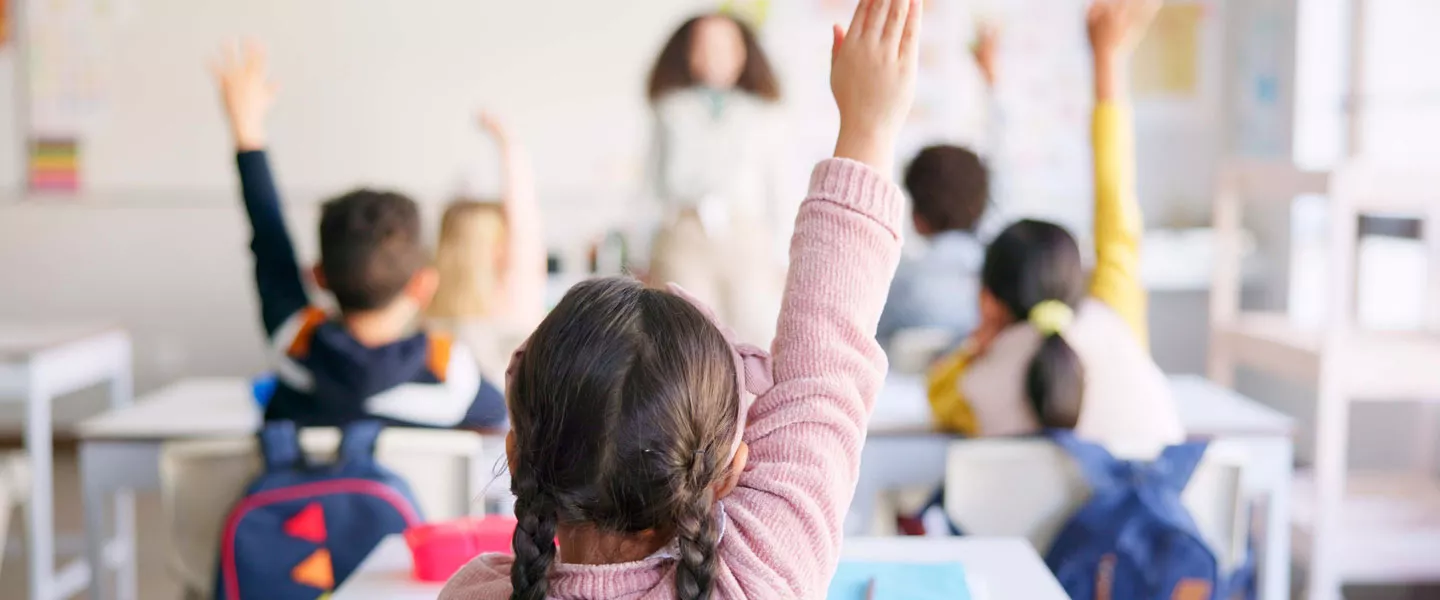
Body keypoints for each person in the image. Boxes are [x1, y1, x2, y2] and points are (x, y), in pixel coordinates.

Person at [439, 1, 920, 598]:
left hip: (740, 239)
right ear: (726, 471)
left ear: (518, 457)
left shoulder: (471, 593)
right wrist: (868, 128)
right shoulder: (766, 577)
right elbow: (821, 377)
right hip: (687, 235)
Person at [927, 0, 1183, 458]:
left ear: (989, 302)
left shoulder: (974, 386)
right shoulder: (1113, 314)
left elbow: (936, 392)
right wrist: (1108, 60)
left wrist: (978, 343)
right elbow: (1115, 195)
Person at [213, 42, 506, 430]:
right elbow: (500, 420)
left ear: (316, 276)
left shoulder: (292, 346)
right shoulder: (454, 378)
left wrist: (246, 130)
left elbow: (269, 238)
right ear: (423, 284)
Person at [642, 12, 792, 345]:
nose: (713, 55)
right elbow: (648, 186)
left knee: (755, 332)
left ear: (744, 53)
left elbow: (778, 189)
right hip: (684, 235)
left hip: (747, 237)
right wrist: (640, 254)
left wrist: (783, 256)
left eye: (724, 46)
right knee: (684, 337)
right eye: (703, 46)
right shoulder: (669, 109)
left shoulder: (766, 114)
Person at [876, 26, 1003, 352]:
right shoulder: (1001, 284)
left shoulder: (895, 287)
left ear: (917, 217)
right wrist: (992, 82)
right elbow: (1004, 160)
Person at [428, 112, 547, 385]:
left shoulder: (427, 304)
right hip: (505, 423)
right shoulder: (513, 299)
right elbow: (525, 226)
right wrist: (509, 144)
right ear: (497, 246)